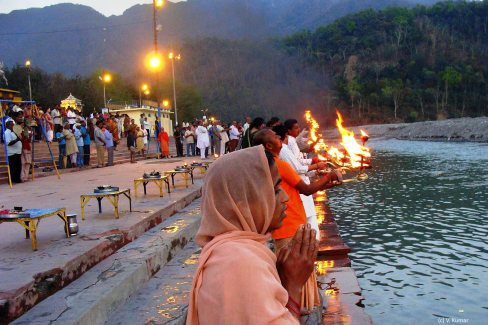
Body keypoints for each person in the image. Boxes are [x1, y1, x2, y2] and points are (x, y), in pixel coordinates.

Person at [187, 145, 317, 324]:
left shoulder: (235, 252)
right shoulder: (239, 262)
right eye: (276, 189)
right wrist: (293, 287)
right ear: (243, 199)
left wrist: (281, 279)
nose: (285, 197)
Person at [253, 128, 342, 313]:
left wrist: (326, 183)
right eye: (276, 137)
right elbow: (306, 189)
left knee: (290, 267)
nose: (281, 138)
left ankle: (295, 307)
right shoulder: (280, 165)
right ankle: (298, 308)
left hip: (284, 223)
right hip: (290, 221)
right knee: (297, 268)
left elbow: (301, 187)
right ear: (269, 145)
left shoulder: (268, 165)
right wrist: (329, 176)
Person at [273, 125, 327, 238]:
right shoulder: (283, 150)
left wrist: (314, 169)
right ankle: (311, 242)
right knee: (308, 219)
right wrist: (321, 169)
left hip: (299, 184)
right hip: (298, 188)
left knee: (308, 217)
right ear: (285, 136)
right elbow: (297, 168)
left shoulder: (283, 150)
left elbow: (298, 163)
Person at [4, 119, 23, 183]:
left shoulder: (14, 132)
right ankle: (12, 180)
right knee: (13, 168)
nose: (13, 126)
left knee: (18, 167)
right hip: (12, 153)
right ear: (8, 125)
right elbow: (8, 143)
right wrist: (17, 139)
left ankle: (17, 179)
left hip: (17, 152)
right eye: (12, 125)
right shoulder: (7, 132)